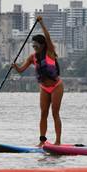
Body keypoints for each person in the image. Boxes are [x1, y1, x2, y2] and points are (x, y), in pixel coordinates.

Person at [13, 16, 63, 146]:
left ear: (42, 45)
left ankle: (58, 141)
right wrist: (15, 66)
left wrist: (41, 23)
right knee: (43, 113)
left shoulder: (50, 52)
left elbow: (48, 37)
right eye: (33, 45)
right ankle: (42, 142)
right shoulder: (32, 57)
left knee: (55, 113)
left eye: (36, 44)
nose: (34, 46)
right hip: (44, 88)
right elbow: (21, 70)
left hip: (56, 86)